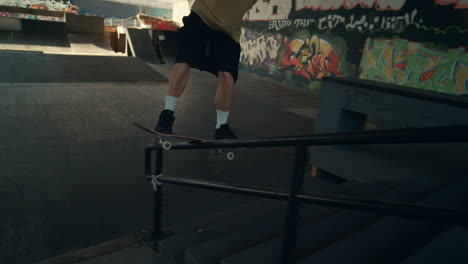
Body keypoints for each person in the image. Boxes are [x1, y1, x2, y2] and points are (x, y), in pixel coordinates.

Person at [155, 0, 258, 140]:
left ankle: (221, 127)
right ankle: (167, 114)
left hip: (227, 31)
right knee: (184, 60)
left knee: (228, 76)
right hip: (200, 17)